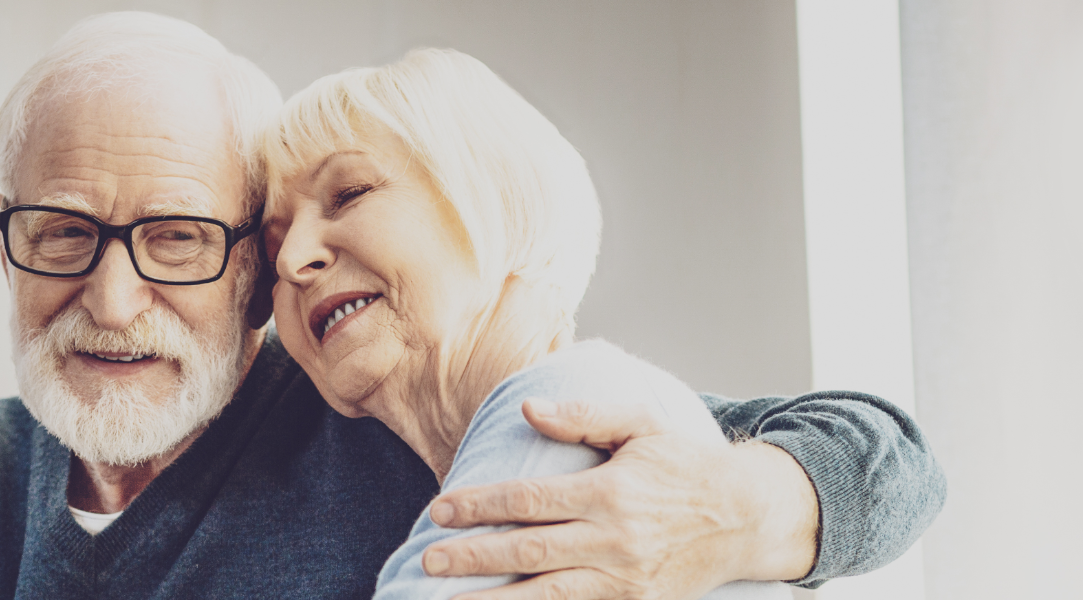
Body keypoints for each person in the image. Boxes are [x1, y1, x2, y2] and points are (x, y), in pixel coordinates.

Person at [0, 12, 944, 600]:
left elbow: (886, 461)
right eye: (66, 233)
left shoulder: (401, 421)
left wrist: (733, 512)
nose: (114, 300)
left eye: (177, 239)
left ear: (248, 272)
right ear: (2, 237)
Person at [257, 48, 818, 598]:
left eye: (349, 193)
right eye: (272, 248)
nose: (290, 260)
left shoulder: (571, 406)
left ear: (496, 197)